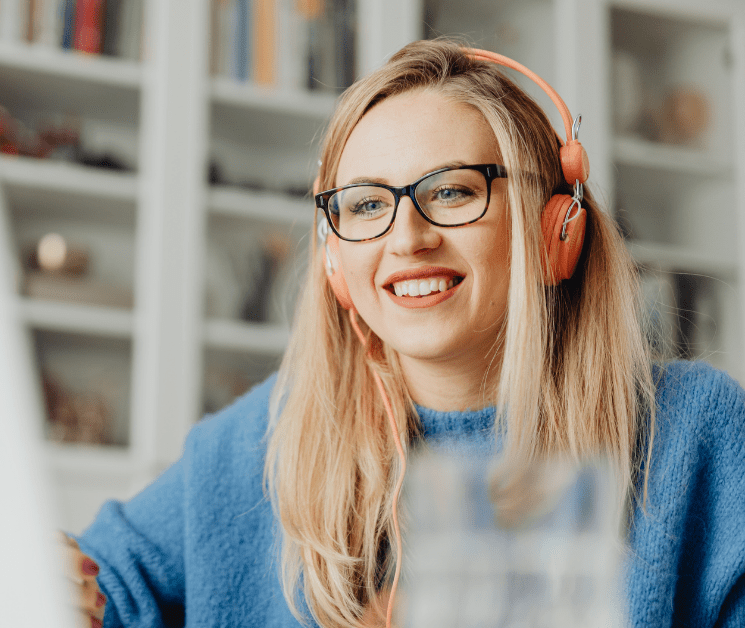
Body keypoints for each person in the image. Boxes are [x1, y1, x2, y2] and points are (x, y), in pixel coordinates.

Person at [71, 39, 745, 627]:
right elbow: (106, 585)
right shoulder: (263, 438)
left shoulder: (695, 431)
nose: (407, 238)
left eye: (452, 191)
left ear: (554, 234)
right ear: (335, 261)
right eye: (365, 205)